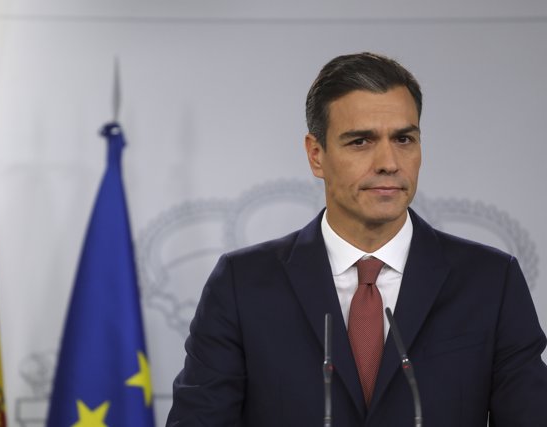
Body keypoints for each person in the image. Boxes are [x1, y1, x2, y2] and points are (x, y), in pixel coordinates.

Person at [166, 52, 547, 426]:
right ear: (316, 155)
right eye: (360, 141)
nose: (388, 162)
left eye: (403, 139)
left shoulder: (491, 281)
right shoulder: (241, 283)